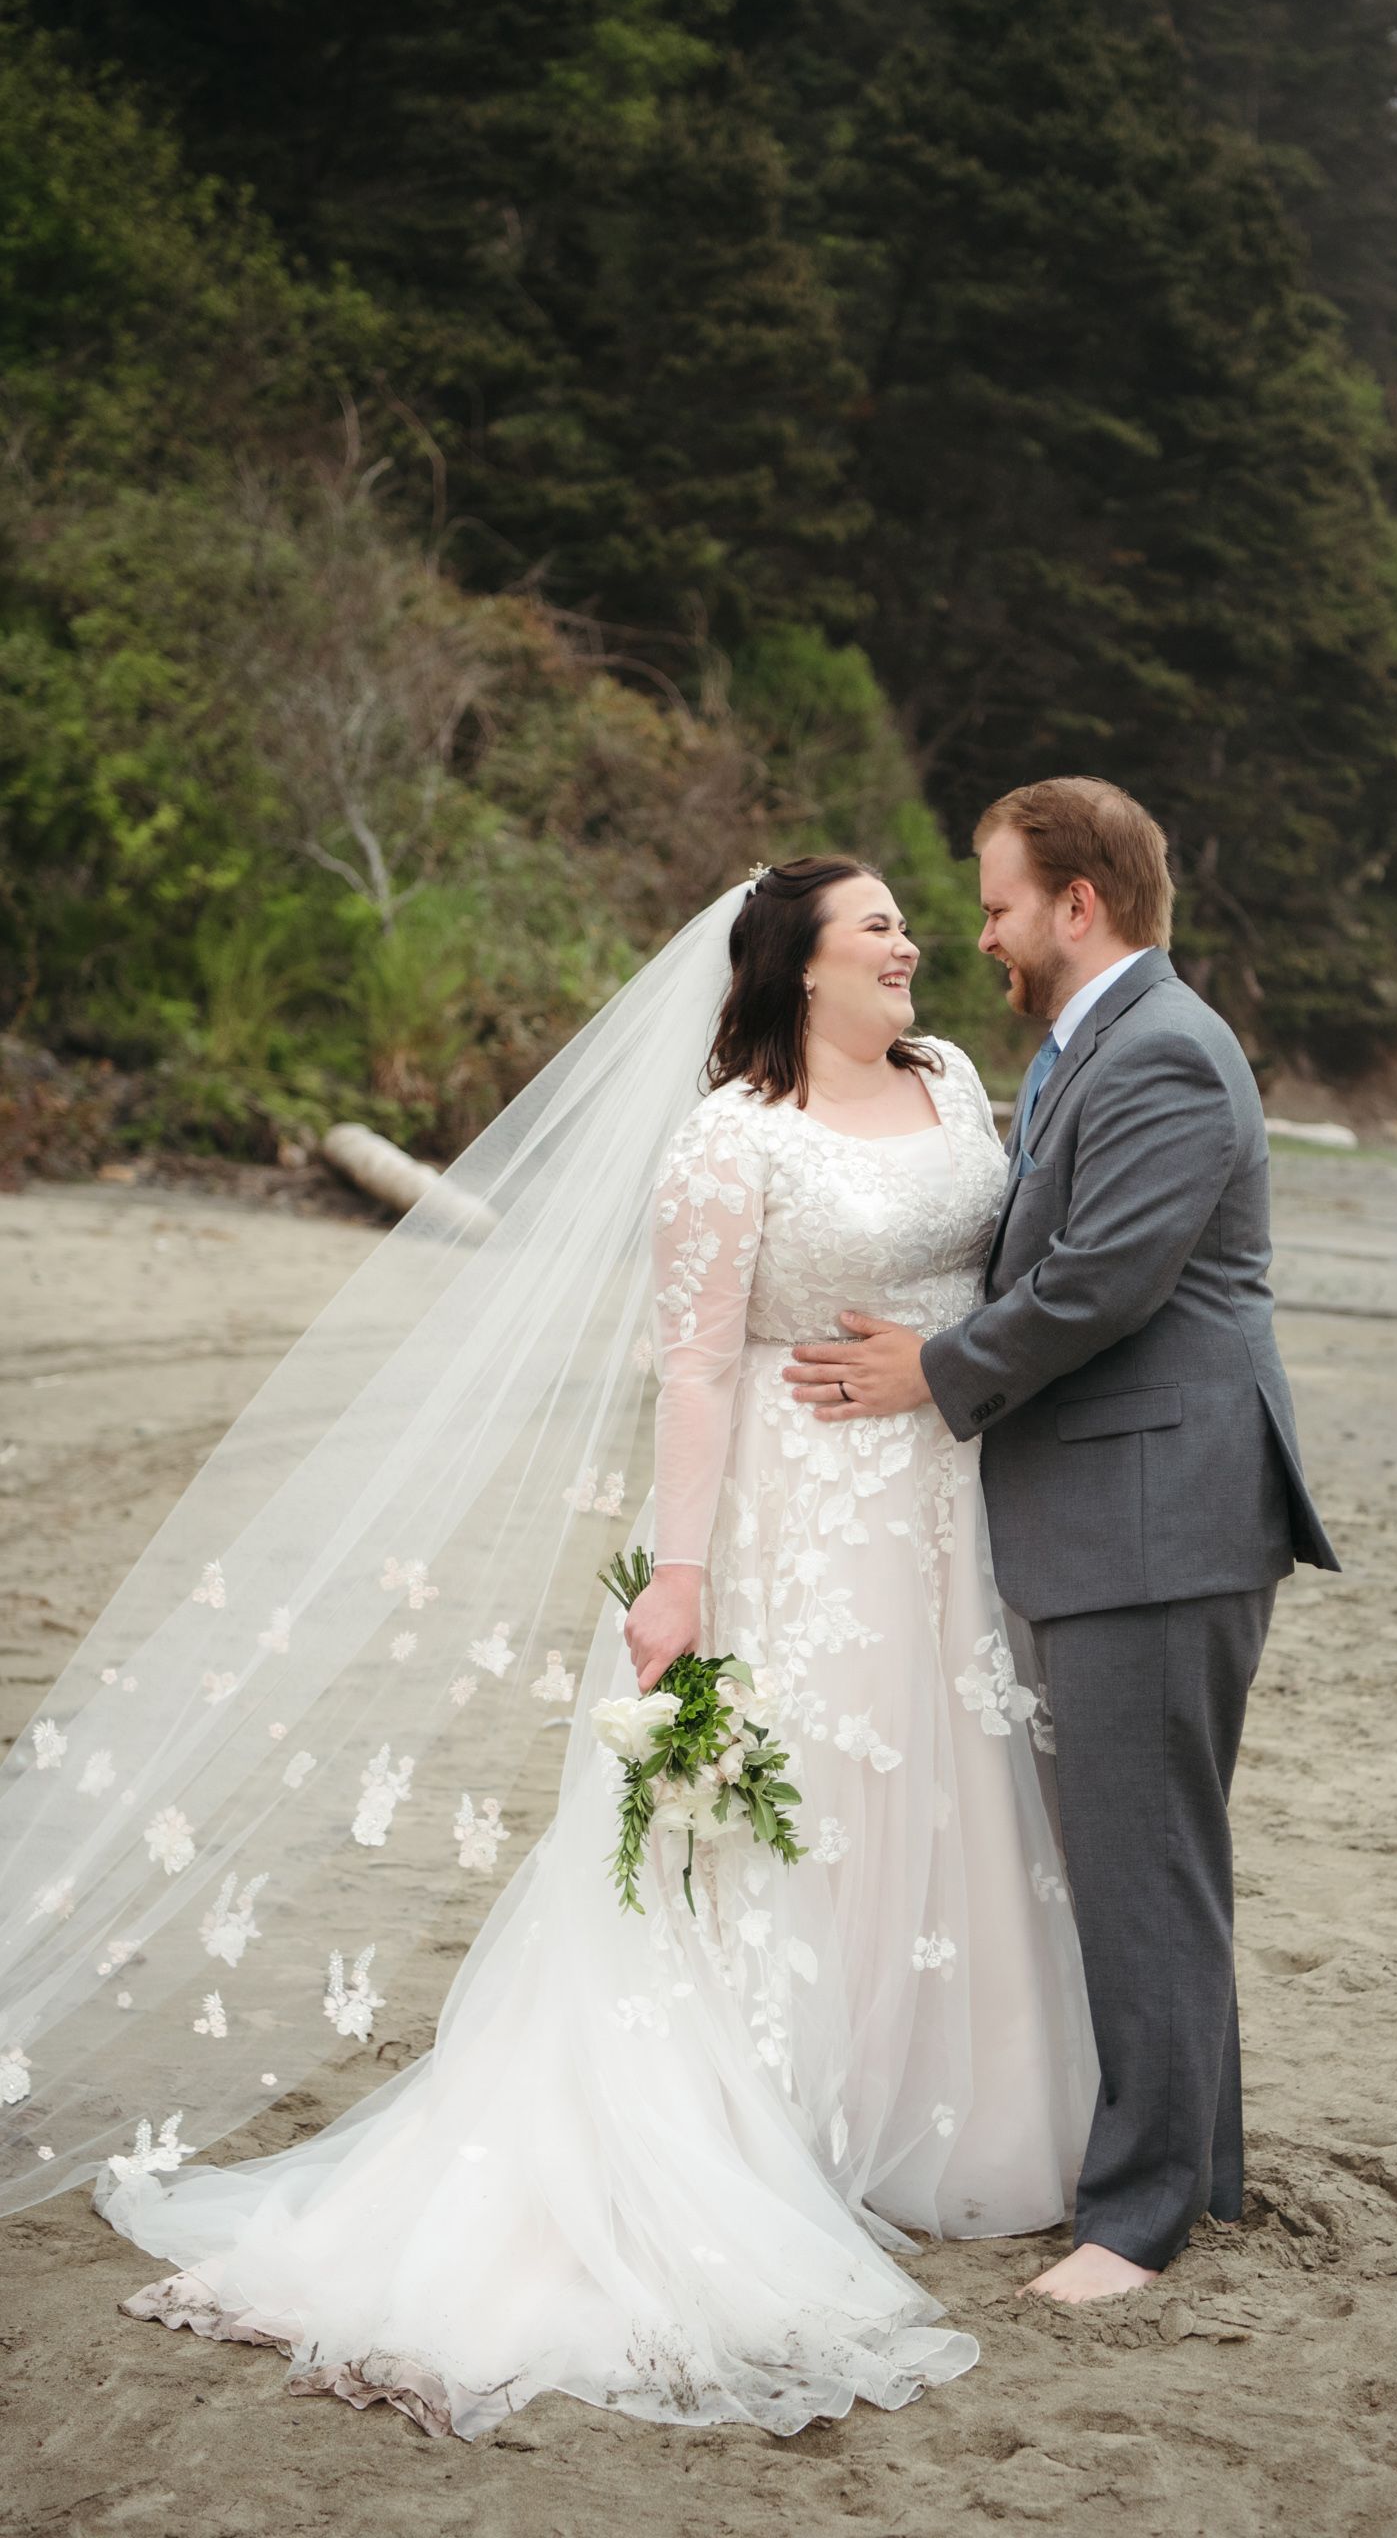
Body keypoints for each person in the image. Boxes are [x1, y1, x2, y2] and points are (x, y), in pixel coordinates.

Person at [7, 857, 1097, 2438]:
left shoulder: (948, 1079)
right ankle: (770, 2134)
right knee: (792, 1819)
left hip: (945, 1509)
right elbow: (699, 1373)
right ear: (801, 965)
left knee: (939, 1799)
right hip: (799, 1520)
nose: (910, 941)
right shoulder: (729, 1141)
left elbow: (991, 1283)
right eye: (876, 925)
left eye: (904, 923)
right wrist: (679, 1576)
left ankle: (934, 2126)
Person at [786, 778, 1339, 2304]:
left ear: (1076, 905)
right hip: (1130, 1507)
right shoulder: (1099, 1043)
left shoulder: (1161, 1051)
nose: (981, 934)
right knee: (1153, 1852)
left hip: (1157, 1514)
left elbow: (1102, 1282)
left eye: (999, 904)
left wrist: (931, 1371)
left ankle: (1137, 2221)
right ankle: (1193, 2172)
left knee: (1139, 1862)